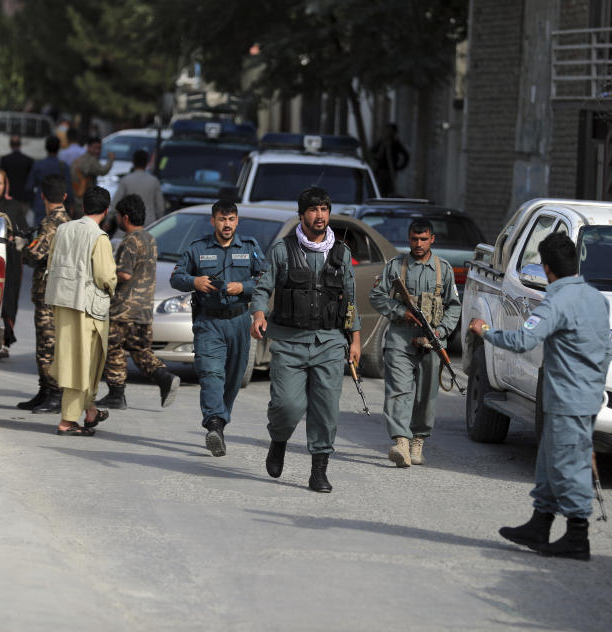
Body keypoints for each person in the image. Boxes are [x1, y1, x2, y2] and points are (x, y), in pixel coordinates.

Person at [468, 232, 612, 561]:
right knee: (548, 461)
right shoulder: (597, 299)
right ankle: (539, 524)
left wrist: (485, 331)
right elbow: (606, 351)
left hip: (567, 399)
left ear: (547, 269)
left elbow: (522, 340)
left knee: (568, 467)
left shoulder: (557, 301)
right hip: (584, 395)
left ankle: (578, 537)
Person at [250, 187, 361, 492]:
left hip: (329, 342)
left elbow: (350, 300)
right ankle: (279, 439)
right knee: (287, 405)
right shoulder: (282, 250)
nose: (320, 215)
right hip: (289, 341)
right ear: (302, 215)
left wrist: (355, 339)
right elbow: (262, 290)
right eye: (313, 210)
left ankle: (319, 470)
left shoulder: (341, 252)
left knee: (326, 409)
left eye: (324, 209)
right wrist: (259, 314)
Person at [170, 200, 265, 457]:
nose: (227, 224)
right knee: (211, 374)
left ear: (237, 221)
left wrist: (242, 288)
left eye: (231, 219)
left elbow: (265, 279)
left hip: (238, 322)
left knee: (233, 379)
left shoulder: (249, 247)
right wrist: (194, 281)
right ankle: (213, 424)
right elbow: (176, 276)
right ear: (213, 221)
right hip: (208, 322)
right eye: (222, 219)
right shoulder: (198, 249)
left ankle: (220, 422)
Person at [369, 218, 461, 467]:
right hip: (401, 337)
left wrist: (441, 331)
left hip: (432, 341)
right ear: (408, 239)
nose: (418, 244)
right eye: (414, 239)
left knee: (426, 394)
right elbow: (376, 297)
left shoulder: (444, 269)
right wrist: (400, 311)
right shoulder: (396, 267)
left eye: (423, 239)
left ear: (432, 239)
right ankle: (401, 441)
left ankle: (417, 439)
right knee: (398, 389)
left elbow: (454, 307)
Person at [96, 194, 180, 410]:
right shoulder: (149, 238)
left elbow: (124, 274)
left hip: (124, 308)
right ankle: (164, 377)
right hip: (143, 309)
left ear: (125, 218)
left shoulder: (130, 241)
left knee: (112, 346)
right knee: (140, 350)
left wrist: (103, 270)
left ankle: (116, 393)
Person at [45, 186, 118, 436]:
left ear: (82, 206)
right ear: (106, 211)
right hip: (88, 309)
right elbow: (105, 276)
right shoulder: (99, 237)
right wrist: (113, 286)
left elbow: (51, 260)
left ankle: (90, 410)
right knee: (83, 363)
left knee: (72, 359)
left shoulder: (63, 229)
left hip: (63, 301)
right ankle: (67, 421)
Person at [17, 174, 73, 413]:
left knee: (47, 344)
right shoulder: (68, 221)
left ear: (43, 196)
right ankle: (45, 390)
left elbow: (36, 255)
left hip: (49, 293)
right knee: (47, 343)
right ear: (64, 196)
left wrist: (23, 247)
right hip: (59, 291)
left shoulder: (52, 223)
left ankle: (54, 392)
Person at [0, 167, 29, 361]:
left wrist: (14, 237)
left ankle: (1, 342)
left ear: (5, 186)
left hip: (8, 263)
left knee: (7, 300)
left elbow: (24, 232)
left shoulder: (14, 207)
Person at [110, 148, 165, 227]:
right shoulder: (154, 181)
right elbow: (160, 208)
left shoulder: (126, 180)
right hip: (149, 224)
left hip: (129, 223)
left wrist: (108, 220)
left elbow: (115, 203)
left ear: (133, 162)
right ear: (147, 163)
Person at [70, 137, 114, 209]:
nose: (97, 151)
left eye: (99, 148)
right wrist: (111, 159)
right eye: (95, 148)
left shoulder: (81, 158)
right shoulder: (91, 160)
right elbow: (103, 171)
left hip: (77, 197)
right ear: (88, 147)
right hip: (83, 200)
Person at [370, 123, 410, 196]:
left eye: (390, 130)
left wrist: (399, 167)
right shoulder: (382, 142)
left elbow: (406, 156)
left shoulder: (396, 144)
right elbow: (372, 152)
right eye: (387, 130)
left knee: (389, 190)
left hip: (390, 171)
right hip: (380, 171)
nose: (388, 132)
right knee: (379, 189)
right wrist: (377, 159)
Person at [0, 134, 34, 206]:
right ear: (20, 144)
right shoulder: (28, 160)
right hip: (23, 197)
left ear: (10, 144)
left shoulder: (4, 160)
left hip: (8, 195)